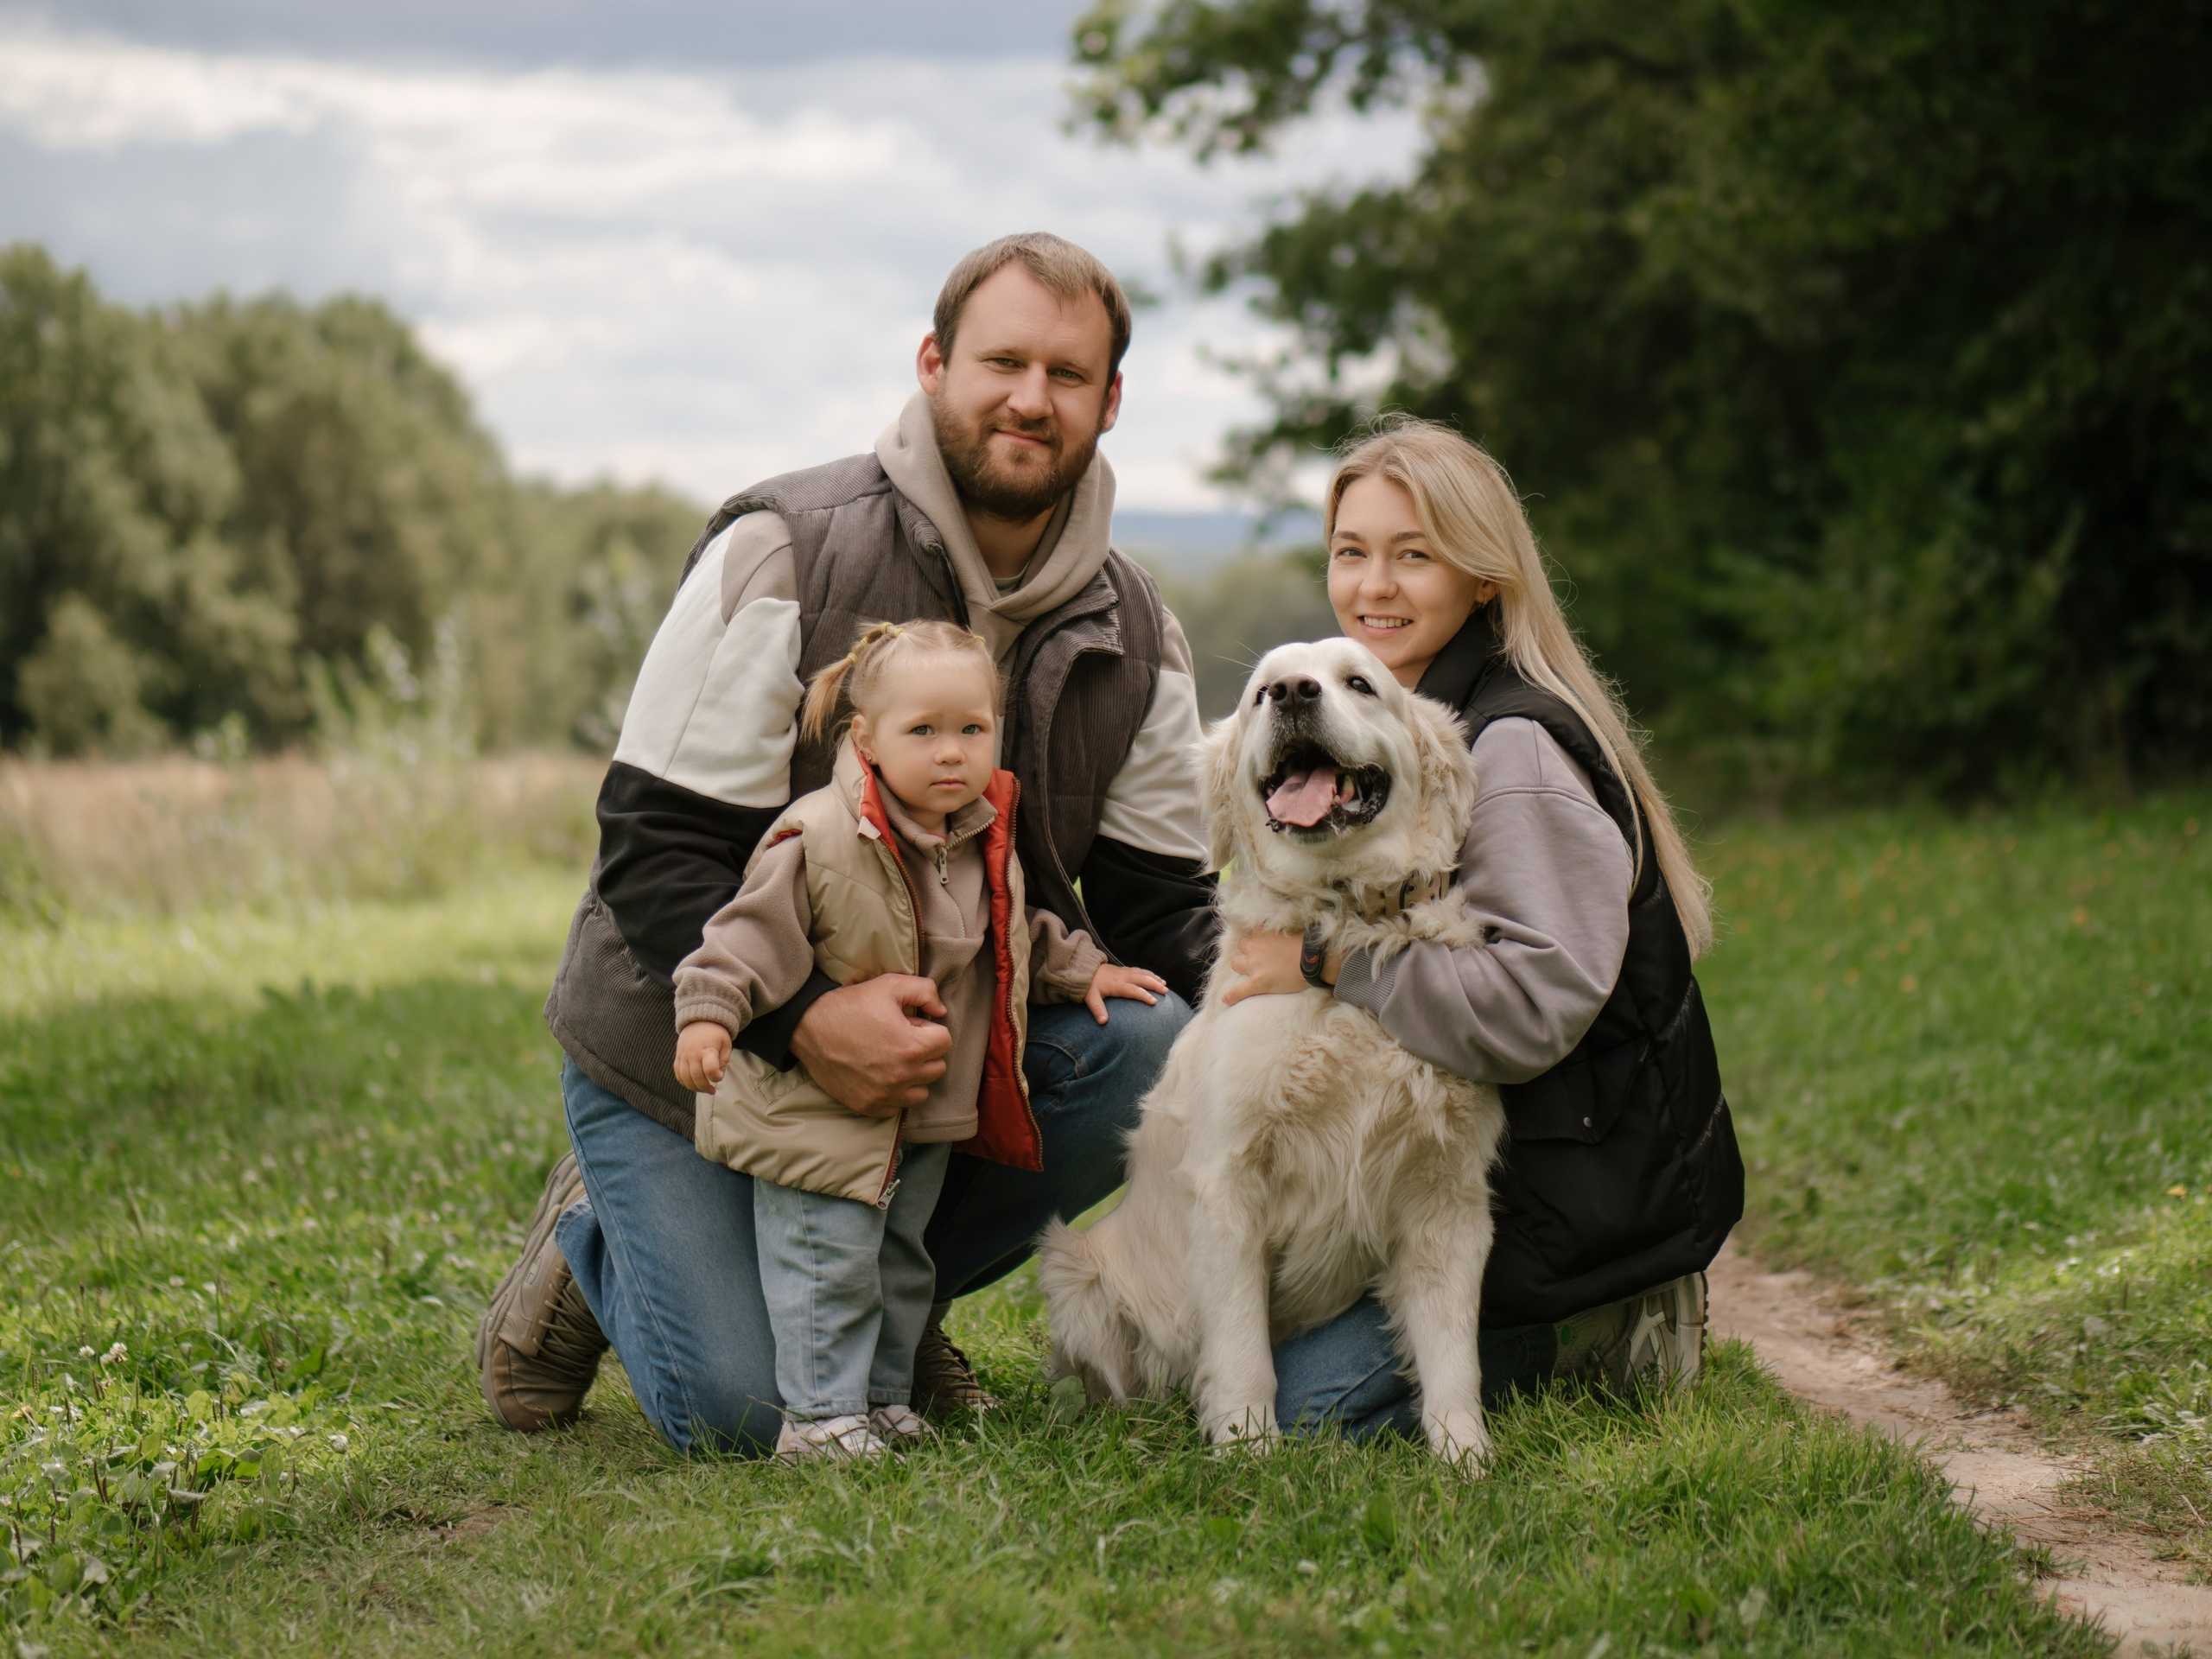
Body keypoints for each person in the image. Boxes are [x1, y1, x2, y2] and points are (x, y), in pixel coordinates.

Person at [476, 232, 1217, 1453]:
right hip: (693, 1060)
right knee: (746, 1415)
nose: (1032, 398)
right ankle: (592, 1233)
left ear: (1111, 400)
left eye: (1069, 375)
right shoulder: (784, 550)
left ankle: (881, 1290)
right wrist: (806, 1018)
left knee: (1148, 1043)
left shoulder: (1140, 633)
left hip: (930, 1068)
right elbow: (652, 851)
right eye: (1003, 361)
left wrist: (1305, 986)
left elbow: (1162, 906)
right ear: (934, 365)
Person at [1219, 415, 1745, 1435]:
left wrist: (1326, 959)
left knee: (1312, 1415)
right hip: (1523, 1192)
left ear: (1483, 578)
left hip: (1577, 1227)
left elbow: (1523, 1013)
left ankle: (1615, 1327)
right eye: (1350, 553)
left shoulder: (1514, 752)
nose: (1373, 586)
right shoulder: (1405, 719)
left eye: (1413, 556)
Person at [670, 620, 1164, 1461]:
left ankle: (884, 1397)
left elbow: (1011, 935)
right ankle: (822, 1418)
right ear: (864, 738)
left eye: (972, 730)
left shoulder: (971, 836)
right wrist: (710, 1012)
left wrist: (1082, 972)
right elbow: (743, 939)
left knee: (901, 1261)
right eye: (923, 732)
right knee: (827, 1261)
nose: (950, 753)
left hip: (922, 1109)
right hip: (819, 1114)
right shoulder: (818, 838)